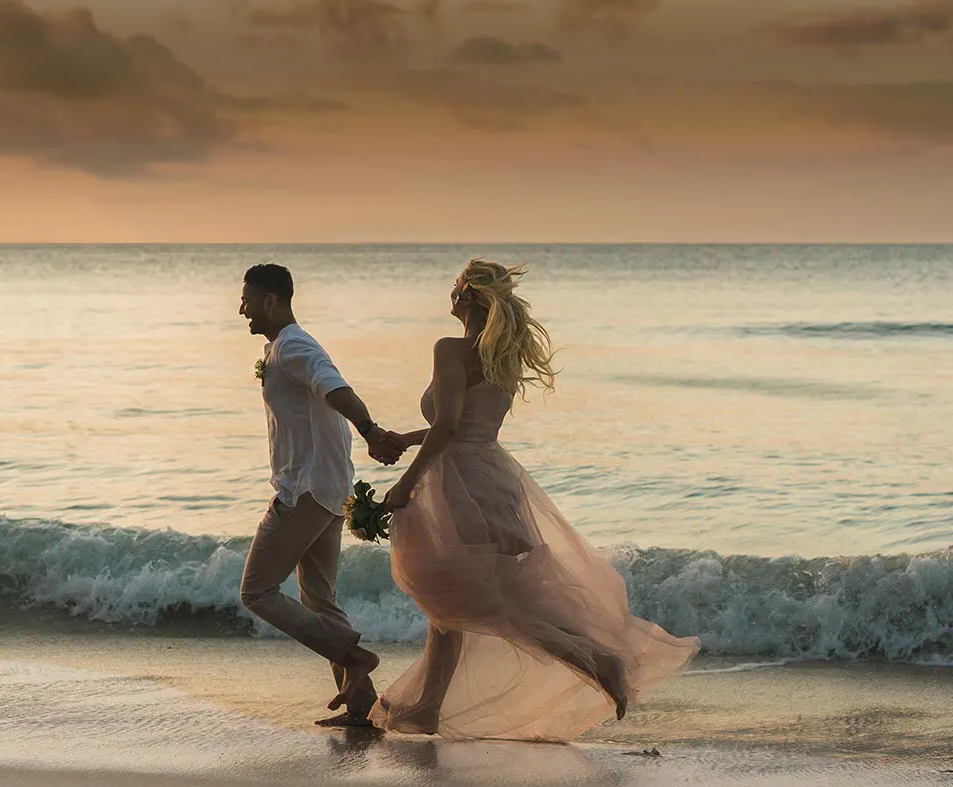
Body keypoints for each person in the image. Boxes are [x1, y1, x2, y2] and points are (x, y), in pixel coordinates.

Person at [345, 258, 699, 741]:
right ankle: (429, 707)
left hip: (461, 485)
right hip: (494, 477)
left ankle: (600, 662)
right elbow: (469, 427)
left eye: (454, 285)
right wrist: (407, 438)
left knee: (491, 601)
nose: (449, 292)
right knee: (455, 604)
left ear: (466, 296)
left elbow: (450, 428)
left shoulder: (450, 348)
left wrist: (405, 485)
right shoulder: (500, 355)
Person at [236, 263, 391, 728]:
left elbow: (335, 388)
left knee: (257, 591)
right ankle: (361, 707)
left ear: (270, 301)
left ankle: (353, 655)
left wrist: (371, 430)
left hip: (304, 490)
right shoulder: (282, 348)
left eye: (246, 299)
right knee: (320, 600)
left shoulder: (293, 346)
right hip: (328, 488)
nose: (240, 308)